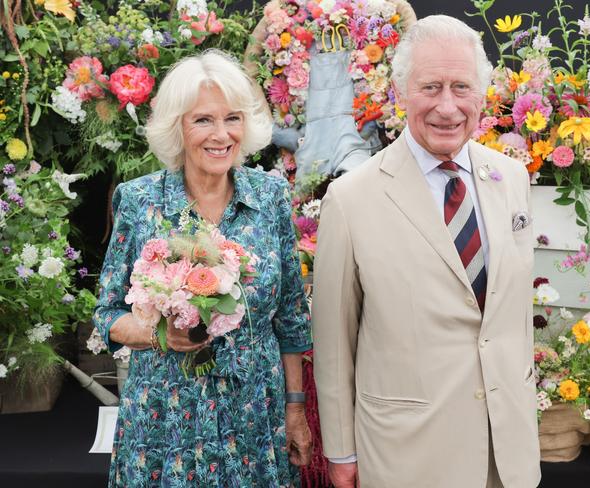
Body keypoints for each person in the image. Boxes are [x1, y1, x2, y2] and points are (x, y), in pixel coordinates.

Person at [312, 15, 541, 488]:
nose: (447, 106)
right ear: (400, 92)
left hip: (508, 455)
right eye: (430, 87)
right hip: (408, 458)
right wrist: (340, 450)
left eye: (462, 87)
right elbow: (334, 341)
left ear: (482, 95)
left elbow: (509, 317)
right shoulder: (352, 198)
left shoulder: (512, 179)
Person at [93, 50, 313, 487]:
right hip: (165, 423)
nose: (221, 134)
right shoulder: (140, 202)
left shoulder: (269, 198)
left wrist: (294, 409)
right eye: (203, 120)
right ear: (177, 126)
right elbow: (107, 314)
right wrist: (158, 332)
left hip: (255, 418)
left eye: (232, 118)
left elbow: (290, 318)